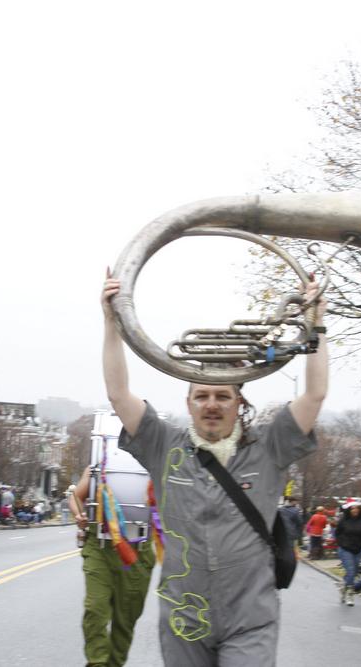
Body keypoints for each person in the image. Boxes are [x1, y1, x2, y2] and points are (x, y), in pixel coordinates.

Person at [101, 273, 328, 666]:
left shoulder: (269, 446)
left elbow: (315, 394)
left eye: (222, 395)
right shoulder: (164, 444)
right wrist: (111, 323)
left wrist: (317, 324)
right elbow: (119, 394)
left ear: (239, 402)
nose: (211, 404)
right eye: (201, 395)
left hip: (250, 619)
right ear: (188, 403)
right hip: (184, 618)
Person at [68, 464, 156, 667]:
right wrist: (79, 515)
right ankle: (97, 663)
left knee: (125, 620)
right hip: (100, 548)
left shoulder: (156, 459)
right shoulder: (98, 465)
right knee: (95, 609)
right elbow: (75, 497)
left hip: (138, 552)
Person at [335, 499, 361, 606]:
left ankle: (344, 588)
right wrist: (341, 543)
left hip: (357, 549)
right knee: (351, 571)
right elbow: (337, 533)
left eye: (356, 508)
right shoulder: (343, 521)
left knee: (354, 573)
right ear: (349, 510)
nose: (354, 510)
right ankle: (350, 594)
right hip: (345, 549)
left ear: (359, 509)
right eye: (352, 508)